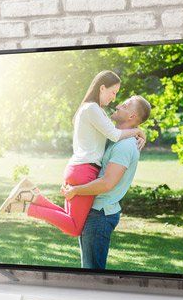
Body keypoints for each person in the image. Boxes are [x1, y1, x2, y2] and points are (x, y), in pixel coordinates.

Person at [0, 71, 146, 236]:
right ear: (102, 88)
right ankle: (27, 206)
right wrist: (137, 131)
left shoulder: (90, 109)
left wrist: (136, 131)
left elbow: (112, 135)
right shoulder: (92, 109)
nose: (114, 98)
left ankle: (30, 194)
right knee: (74, 228)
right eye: (113, 92)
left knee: (70, 219)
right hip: (85, 170)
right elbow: (115, 134)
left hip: (78, 168)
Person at [61, 96, 151, 269]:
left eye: (124, 105)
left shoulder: (124, 147)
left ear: (132, 116)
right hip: (95, 211)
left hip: (100, 216)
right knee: (88, 270)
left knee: (92, 274)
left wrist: (76, 190)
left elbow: (107, 183)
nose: (117, 105)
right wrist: (138, 131)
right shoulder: (115, 138)